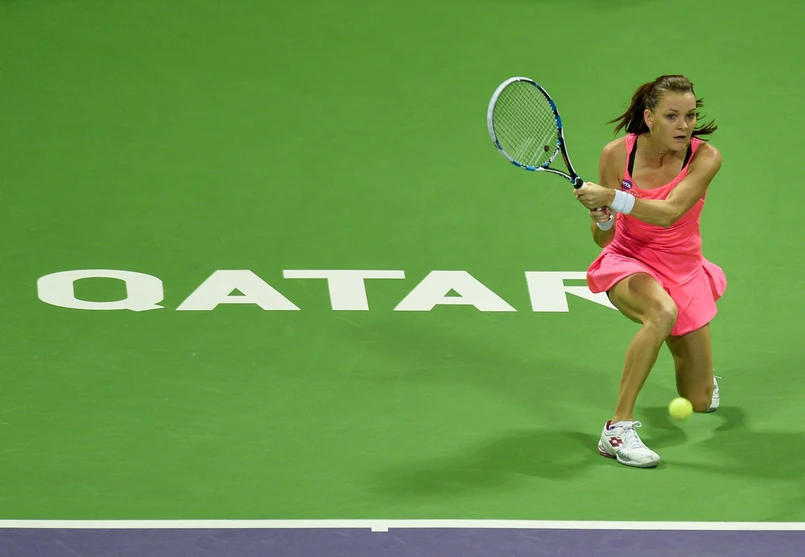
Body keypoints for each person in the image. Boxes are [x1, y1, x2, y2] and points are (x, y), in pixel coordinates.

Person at [573, 75, 726, 468]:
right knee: (661, 313)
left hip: (683, 267)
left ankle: (704, 379)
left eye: (690, 116)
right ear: (649, 117)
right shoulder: (616, 155)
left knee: (699, 400)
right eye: (672, 116)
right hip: (629, 259)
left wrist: (612, 197)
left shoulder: (706, 158)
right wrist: (603, 218)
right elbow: (603, 239)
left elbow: (670, 213)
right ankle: (617, 430)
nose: (684, 125)